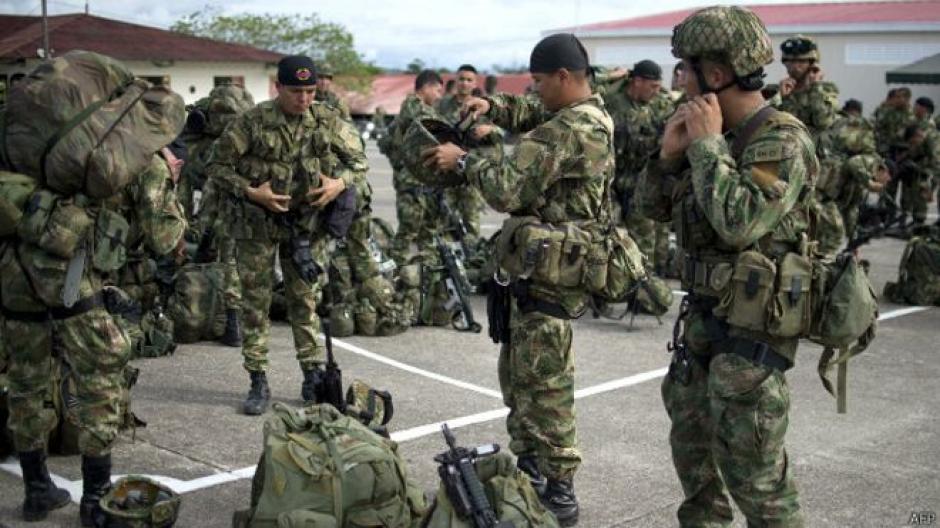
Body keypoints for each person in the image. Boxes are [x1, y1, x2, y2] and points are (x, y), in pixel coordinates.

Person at [422, 32, 615, 526]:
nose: (534, 91)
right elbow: (530, 112)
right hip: (536, 269)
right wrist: (494, 107)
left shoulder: (573, 128)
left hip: (552, 276)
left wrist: (462, 161)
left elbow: (506, 188)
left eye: (539, 82)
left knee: (546, 386)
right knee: (522, 378)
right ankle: (530, 470)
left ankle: (559, 491)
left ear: (564, 78)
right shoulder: (577, 114)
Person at [639, 6, 816, 526]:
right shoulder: (702, 140)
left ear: (714, 75)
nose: (680, 80)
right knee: (695, 470)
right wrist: (670, 157)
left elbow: (740, 222)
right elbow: (648, 208)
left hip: (751, 337)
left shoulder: (780, 141)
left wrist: (709, 147)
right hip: (701, 326)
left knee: (756, 481)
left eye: (685, 69)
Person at [1, 53, 187, 524]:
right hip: (72, 276)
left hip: (13, 271)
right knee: (101, 376)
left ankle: (37, 490)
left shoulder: (20, 140)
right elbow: (165, 240)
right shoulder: (129, 151)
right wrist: (169, 180)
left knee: (25, 379)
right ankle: (94, 498)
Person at [206, 55, 350, 416]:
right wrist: (251, 192)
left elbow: (358, 162)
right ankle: (258, 379)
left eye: (310, 91)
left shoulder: (328, 120)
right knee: (256, 305)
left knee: (305, 301)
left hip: (304, 226)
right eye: (296, 91)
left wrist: (339, 184)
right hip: (255, 225)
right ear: (278, 88)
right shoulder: (252, 122)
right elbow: (216, 165)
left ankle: (311, 374)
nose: (303, 99)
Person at [603, 59, 672, 274]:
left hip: (640, 184)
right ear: (637, 81)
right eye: (652, 86)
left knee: (644, 241)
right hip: (610, 183)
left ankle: (642, 287)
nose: (656, 91)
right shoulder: (610, 102)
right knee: (604, 236)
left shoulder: (661, 106)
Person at [379, 69, 446, 267]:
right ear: (426, 87)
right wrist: (403, 166)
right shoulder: (415, 107)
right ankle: (394, 268)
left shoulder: (411, 110)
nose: (439, 96)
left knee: (426, 228)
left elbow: (386, 143)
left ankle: (426, 271)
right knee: (409, 228)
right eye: (438, 90)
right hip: (412, 183)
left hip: (420, 181)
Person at [436, 64, 488, 249]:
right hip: (447, 173)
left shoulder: (482, 107)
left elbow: (498, 133)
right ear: (455, 81)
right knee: (445, 218)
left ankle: (473, 260)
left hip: (470, 172)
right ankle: (450, 261)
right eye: (461, 79)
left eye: (469, 80)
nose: (464, 83)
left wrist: (489, 129)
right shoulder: (443, 104)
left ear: (475, 83)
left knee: (471, 219)